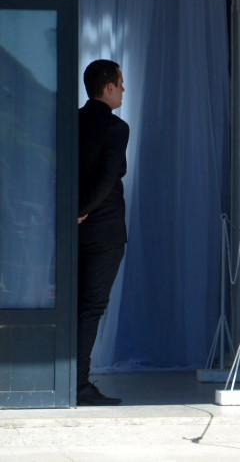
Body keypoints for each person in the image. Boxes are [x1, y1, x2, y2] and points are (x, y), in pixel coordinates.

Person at [76, 59, 129, 406]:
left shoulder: (71, 120)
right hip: (103, 227)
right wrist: (83, 209)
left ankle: (67, 375)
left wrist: (72, 210)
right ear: (108, 87)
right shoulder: (116, 127)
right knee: (92, 306)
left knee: (72, 304)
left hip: (71, 229)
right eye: (120, 83)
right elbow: (109, 177)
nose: (123, 89)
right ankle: (79, 383)